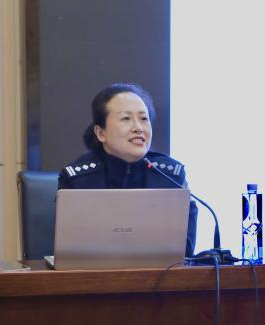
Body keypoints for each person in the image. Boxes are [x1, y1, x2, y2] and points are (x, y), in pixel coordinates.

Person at [58, 83, 198, 257]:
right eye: (126, 118)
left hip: (160, 273)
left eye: (144, 119)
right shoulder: (77, 179)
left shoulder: (170, 176)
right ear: (101, 133)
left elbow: (185, 250)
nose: (138, 127)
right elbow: (70, 251)